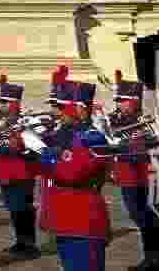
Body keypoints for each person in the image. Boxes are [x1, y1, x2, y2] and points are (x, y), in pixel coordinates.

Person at [41, 75, 109, 271]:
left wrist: (49, 158)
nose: (58, 113)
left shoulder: (92, 138)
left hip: (83, 217)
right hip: (64, 217)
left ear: (79, 108)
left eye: (63, 108)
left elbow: (72, 174)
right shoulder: (65, 135)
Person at [107, 73, 159, 271]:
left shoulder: (145, 122)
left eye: (122, 100)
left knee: (150, 220)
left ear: (134, 100)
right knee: (140, 219)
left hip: (145, 178)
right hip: (128, 177)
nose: (119, 104)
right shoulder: (117, 119)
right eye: (118, 100)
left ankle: (156, 262)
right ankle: (150, 259)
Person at [0, 73, 46, 258]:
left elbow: (34, 146)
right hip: (4, 171)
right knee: (13, 209)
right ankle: (20, 242)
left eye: (5, 102)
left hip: (21, 172)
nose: (1, 106)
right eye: (1, 102)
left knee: (23, 209)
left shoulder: (26, 121)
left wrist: (4, 144)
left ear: (15, 103)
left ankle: (29, 244)